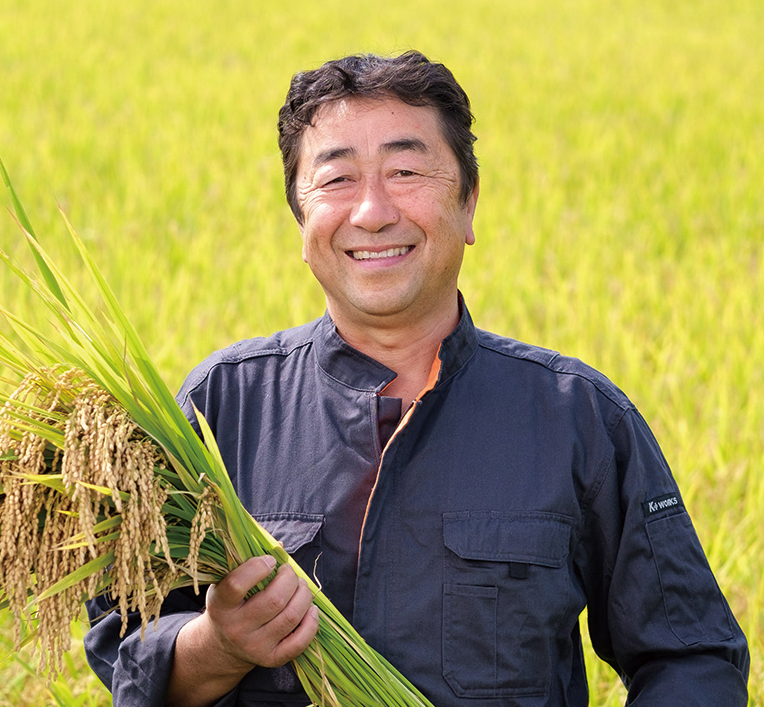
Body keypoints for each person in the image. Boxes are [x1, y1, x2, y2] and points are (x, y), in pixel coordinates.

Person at [83, 51, 750, 706]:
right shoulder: (221, 408)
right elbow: (125, 645)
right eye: (337, 179)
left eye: (406, 170)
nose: (372, 211)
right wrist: (218, 644)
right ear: (299, 216)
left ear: (469, 203)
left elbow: (690, 655)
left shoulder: (578, 417)